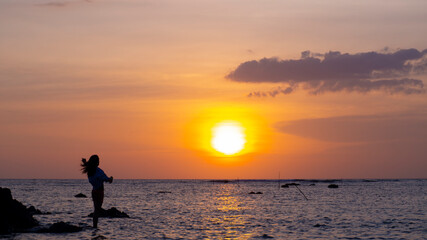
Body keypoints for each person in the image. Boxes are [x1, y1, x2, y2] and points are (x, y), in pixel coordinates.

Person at [81, 154, 113, 228]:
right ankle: (95, 226)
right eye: (98, 160)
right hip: (99, 192)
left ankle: (95, 226)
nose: (99, 162)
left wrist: (85, 162)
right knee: (97, 211)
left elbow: (87, 165)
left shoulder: (90, 170)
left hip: (94, 191)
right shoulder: (98, 172)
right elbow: (107, 179)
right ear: (96, 162)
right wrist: (111, 178)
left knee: (96, 210)